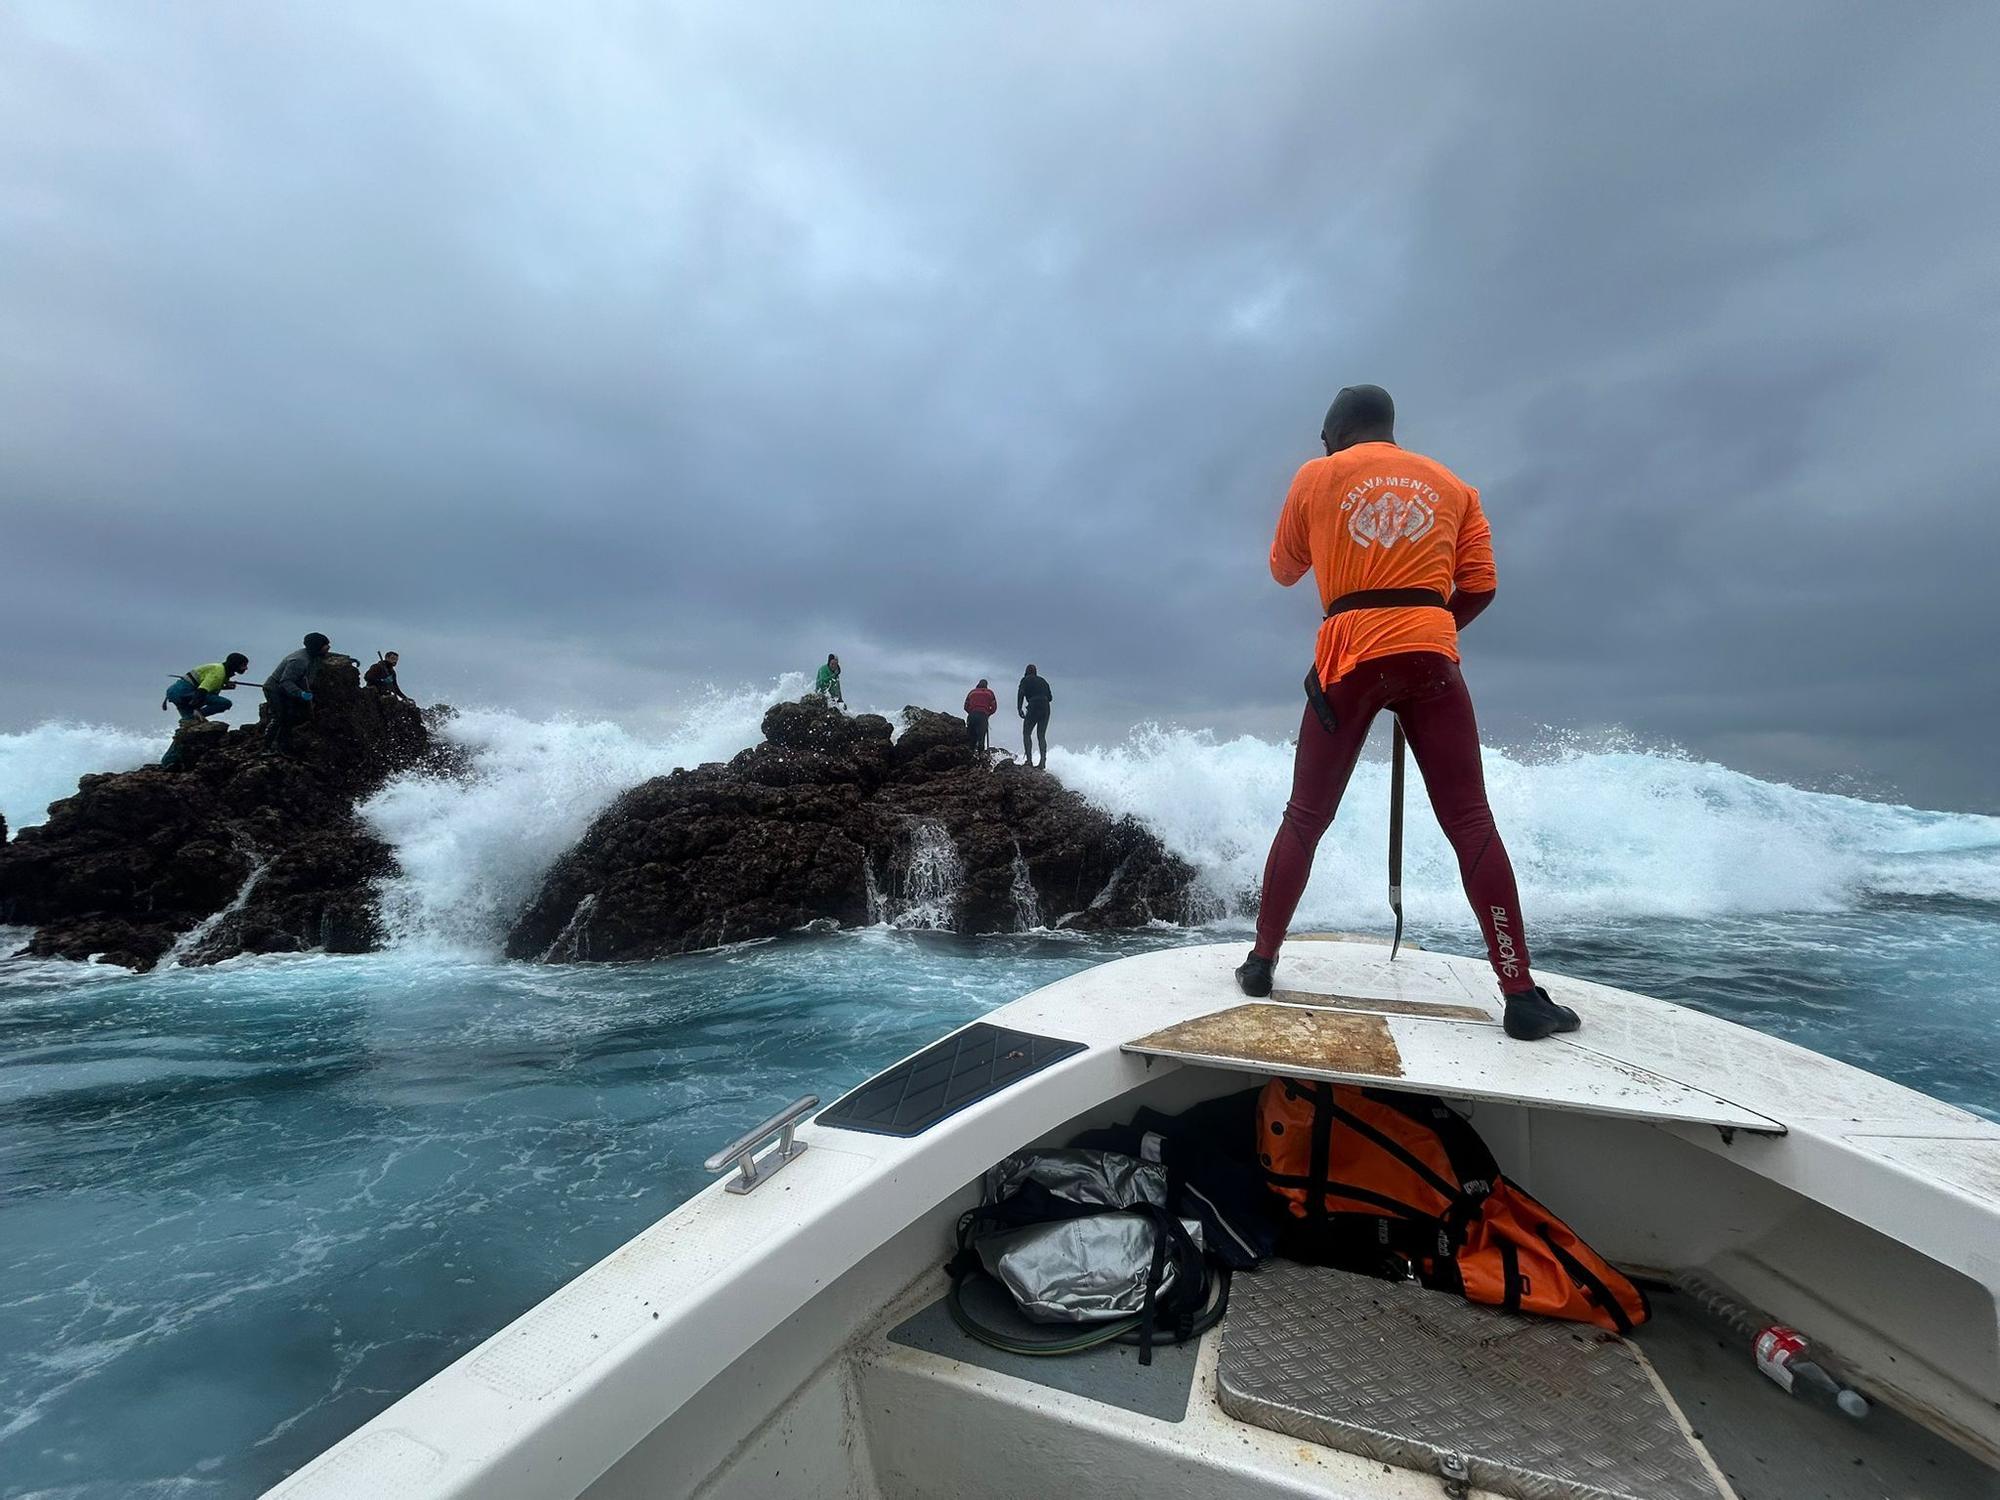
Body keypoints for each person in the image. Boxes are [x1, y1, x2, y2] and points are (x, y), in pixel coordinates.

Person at [1237, 384, 1577, 1042]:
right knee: (1470, 819)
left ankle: (1260, 962)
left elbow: (1283, 569)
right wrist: (1422, 633)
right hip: (1430, 651)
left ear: (1336, 432)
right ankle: (1521, 994)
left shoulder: (1318, 474)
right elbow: (1481, 585)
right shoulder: (1455, 486)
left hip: (1348, 655)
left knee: (1305, 816)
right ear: (1389, 429)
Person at [264, 632, 331, 756]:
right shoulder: (300, 660)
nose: (328, 647)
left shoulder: (313, 654)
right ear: (316, 647)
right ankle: (267, 748)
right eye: (325, 645)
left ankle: (284, 746)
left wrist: (348, 658)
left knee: (291, 716)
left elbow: (328, 655)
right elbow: (285, 681)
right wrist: (301, 694)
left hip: (287, 689)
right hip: (274, 689)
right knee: (279, 716)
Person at [163, 654, 249, 722]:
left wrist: (224, 686)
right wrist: (197, 710)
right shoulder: (218, 673)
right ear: (235, 665)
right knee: (225, 703)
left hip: (175, 693)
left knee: (190, 725)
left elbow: (207, 684)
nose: (246, 668)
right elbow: (202, 690)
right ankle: (195, 715)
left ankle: (189, 721)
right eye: (243, 665)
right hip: (184, 692)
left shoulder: (219, 669)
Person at [1017, 665, 1052, 769]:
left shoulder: (1025, 680)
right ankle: (1042, 762)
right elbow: (1050, 698)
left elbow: (1021, 693)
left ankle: (1029, 760)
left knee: (1027, 733)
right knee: (1041, 735)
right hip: (1045, 706)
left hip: (1033, 705)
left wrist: (1019, 708)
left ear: (1026, 672)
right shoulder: (1043, 681)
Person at [964, 678, 998, 752]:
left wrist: (971, 712)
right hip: (983, 716)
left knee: (971, 736)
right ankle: (980, 756)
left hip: (972, 715)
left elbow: (965, 706)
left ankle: (970, 754)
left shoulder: (972, 692)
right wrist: (988, 713)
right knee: (981, 737)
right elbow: (994, 707)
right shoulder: (990, 693)